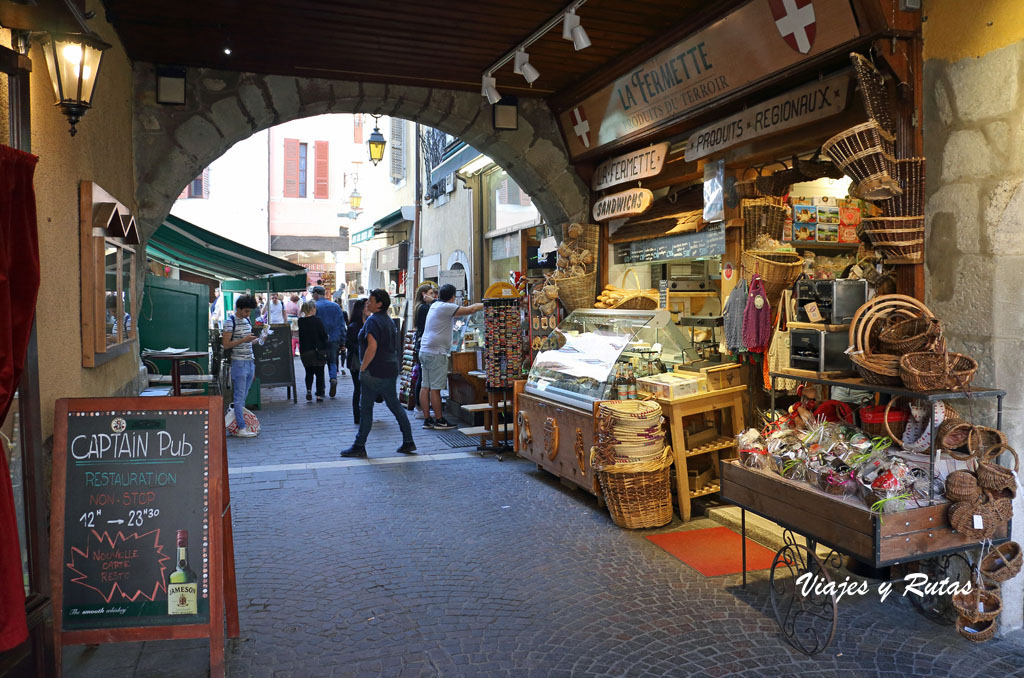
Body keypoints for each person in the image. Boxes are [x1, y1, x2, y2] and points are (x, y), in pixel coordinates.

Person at [341, 289, 416, 458]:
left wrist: (363, 368)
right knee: (395, 405)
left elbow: (372, 347)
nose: (368, 303)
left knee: (366, 408)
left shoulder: (373, 321)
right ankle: (408, 440)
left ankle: (359, 445)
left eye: (371, 301)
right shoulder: (388, 321)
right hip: (390, 368)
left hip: (374, 370)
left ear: (379, 304)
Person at [418, 284, 482, 430]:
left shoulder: (435, 305)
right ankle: (440, 420)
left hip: (425, 350)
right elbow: (470, 310)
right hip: (436, 353)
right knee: (435, 389)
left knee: (425, 386)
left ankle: (428, 419)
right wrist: (486, 303)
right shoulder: (445, 307)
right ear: (452, 297)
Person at [222, 295, 260, 438]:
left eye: (249, 311)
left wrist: (259, 339)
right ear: (238, 308)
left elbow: (249, 343)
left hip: (250, 361)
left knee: (243, 396)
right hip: (239, 362)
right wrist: (244, 339)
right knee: (239, 397)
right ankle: (241, 427)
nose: (247, 314)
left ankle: (237, 423)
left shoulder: (247, 320)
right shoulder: (230, 322)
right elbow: (226, 345)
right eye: (245, 311)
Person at [312, 285, 346, 398]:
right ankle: (333, 377)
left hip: (319, 340)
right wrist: (342, 341)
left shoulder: (315, 306)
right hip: (334, 338)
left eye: (313, 294)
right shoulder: (335, 306)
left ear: (316, 294)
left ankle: (321, 389)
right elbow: (342, 325)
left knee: (320, 364)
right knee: (332, 360)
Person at [411, 283, 437, 420]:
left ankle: (421, 407)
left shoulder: (419, 307)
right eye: (431, 293)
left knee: (422, 377)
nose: (433, 296)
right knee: (423, 378)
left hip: (421, 343)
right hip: (424, 344)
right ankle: (420, 407)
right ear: (424, 294)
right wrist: (433, 301)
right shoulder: (424, 308)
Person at [298, 301, 328, 402]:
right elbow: (323, 335)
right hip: (317, 351)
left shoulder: (300, 321)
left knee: (308, 372)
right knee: (319, 373)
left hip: (305, 351)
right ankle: (319, 395)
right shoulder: (317, 320)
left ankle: (309, 390)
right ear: (312, 309)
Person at [345, 298, 367, 425]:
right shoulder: (353, 326)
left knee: (366, 388)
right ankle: (357, 416)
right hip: (356, 361)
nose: (369, 307)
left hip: (368, 360)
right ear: (361, 310)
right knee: (358, 388)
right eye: (366, 306)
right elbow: (348, 343)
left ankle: (365, 413)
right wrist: (361, 350)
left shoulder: (370, 322)